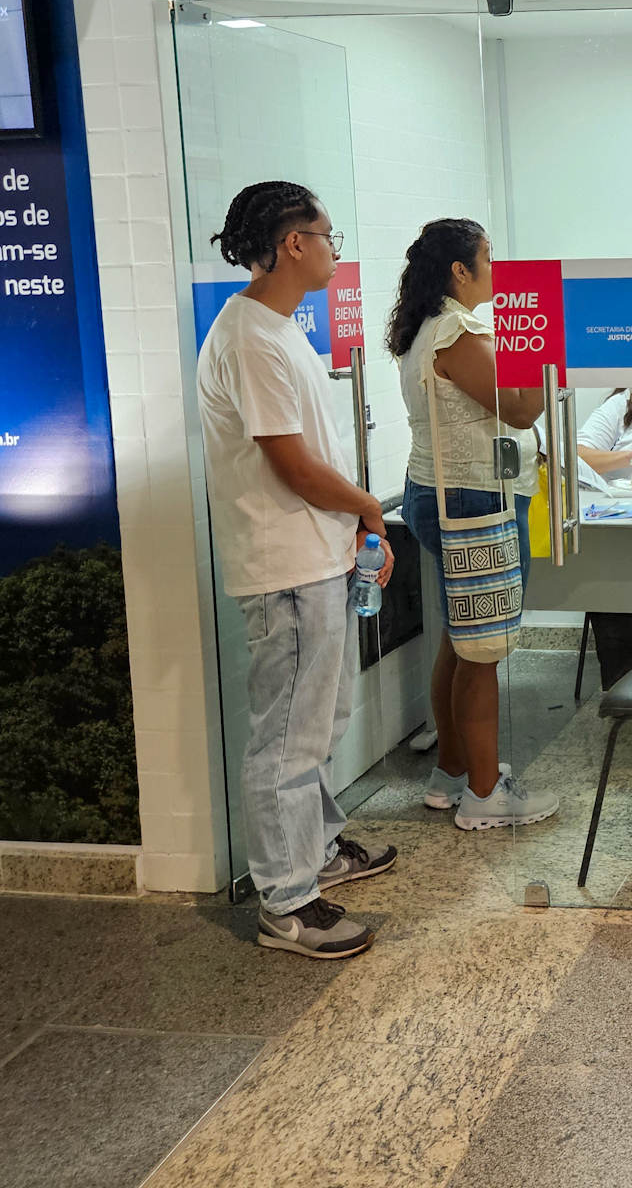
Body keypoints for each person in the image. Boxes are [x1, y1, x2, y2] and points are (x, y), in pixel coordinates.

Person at [196, 180, 396, 960]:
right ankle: (286, 903)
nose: (336, 250)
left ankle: (316, 853)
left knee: (316, 723)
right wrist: (369, 510)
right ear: (294, 244)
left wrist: (350, 528)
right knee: (285, 737)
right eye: (329, 235)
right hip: (283, 565)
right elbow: (292, 467)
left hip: (314, 555)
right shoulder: (249, 337)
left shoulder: (278, 328)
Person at [390, 218, 560, 830]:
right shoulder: (455, 329)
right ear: (459, 270)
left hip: (445, 491)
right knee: (482, 651)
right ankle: (486, 798)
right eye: (488, 257)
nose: (496, 266)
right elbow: (518, 409)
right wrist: (546, 346)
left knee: (461, 644)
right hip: (470, 499)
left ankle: (452, 776)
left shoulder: (431, 327)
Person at [574, 388, 632, 689]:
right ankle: (619, 684)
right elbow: (578, 457)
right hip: (626, 529)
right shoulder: (622, 404)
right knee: (616, 572)